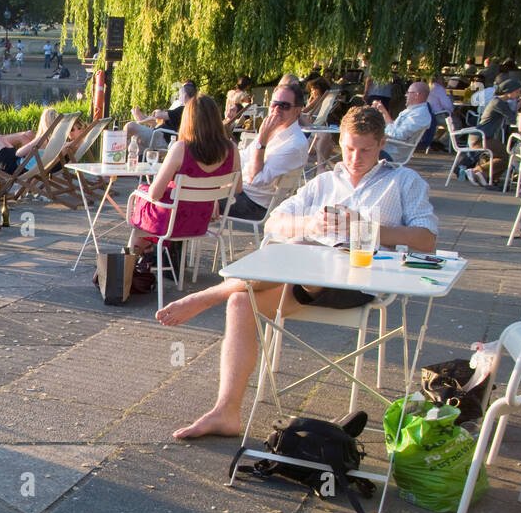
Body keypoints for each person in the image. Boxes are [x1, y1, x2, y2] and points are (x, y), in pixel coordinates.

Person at [155, 106, 437, 439]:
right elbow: (274, 221)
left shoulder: (402, 182)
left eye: (365, 150)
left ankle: (209, 295)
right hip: (304, 280)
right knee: (242, 302)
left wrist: (368, 229)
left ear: (382, 144)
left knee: (298, 253)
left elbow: (427, 240)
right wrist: (309, 223)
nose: (355, 158)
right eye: (348, 148)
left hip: (361, 280)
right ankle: (226, 412)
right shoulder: (324, 183)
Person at [129, 94, 238, 253]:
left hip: (173, 222)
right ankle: (148, 254)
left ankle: (136, 259)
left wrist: (142, 190)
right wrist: (212, 197)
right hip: (202, 221)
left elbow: (155, 194)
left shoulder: (181, 148)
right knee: (151, 198)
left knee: (142, 194)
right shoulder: (232, 150)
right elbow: (237, 188)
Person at [225, 83, 309, 220]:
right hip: (239, 190)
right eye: (274, 104)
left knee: (192, 200)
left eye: (284, 106)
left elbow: (255, 180)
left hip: (255, 205)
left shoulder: (295, 144)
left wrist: (262, 140)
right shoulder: (273, 130)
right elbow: (243, 158)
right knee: (189, 190)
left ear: (297, 111)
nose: (277, 110)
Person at [468, 78, 521, 184]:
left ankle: (489, 178)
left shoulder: (499, 102)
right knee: (506, 156)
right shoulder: (498, 103)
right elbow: (512, 119)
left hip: (483, 136)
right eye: (517, 92)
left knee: (504, 156)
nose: (518, 94)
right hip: (481, 137)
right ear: (508, 92)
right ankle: (477, 171)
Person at [125, 81, 197, 151]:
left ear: (184, 95)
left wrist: (158, 112)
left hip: (162, 138)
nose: (178, 98)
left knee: (129, 126)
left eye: (179, 95)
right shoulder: (189, 110)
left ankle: (118, 150)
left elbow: (159, 115)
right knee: (135, 141)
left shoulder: (183, 109)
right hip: (160, 135)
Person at [374, 80, 432, 150]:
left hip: (391, 150)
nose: (406, 95)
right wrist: (383, 111)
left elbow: (398, 136)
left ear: (417, 95)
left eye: (409, 92)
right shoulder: (411, 111)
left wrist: (376, 136)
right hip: (386, 146)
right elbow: (394, 129)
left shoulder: (420, 114)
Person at [420, 74, 455, 151]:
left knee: (443, 127)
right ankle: (441, 143)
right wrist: (452, 106)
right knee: (456, 124)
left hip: (428, 115)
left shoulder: (428, 87)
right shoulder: (439, 89)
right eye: (442, 78)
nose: (444, 80)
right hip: (438, 115)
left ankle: (435, 141)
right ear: (438, 79)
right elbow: (448, 106)